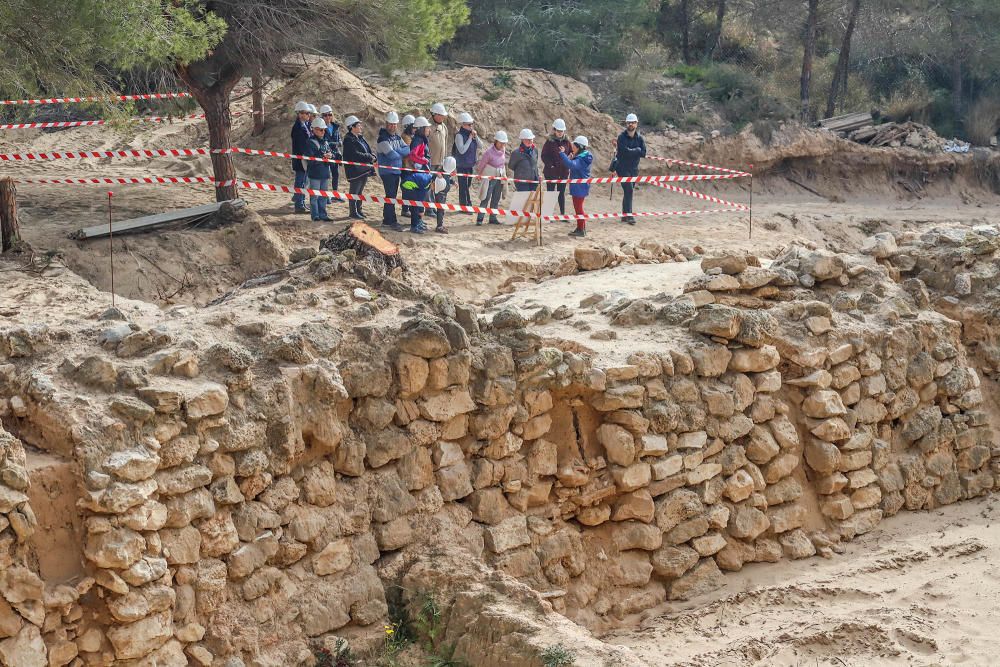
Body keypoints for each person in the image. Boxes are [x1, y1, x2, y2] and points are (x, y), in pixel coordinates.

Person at [377, 111, 410, 231]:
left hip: (396, 171)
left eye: (395, 124)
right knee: (390, 196)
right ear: (386, 124)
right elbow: (392, 155)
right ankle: (392, 221)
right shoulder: (382, 139)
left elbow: (407, 149)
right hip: (387, 172)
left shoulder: (396, 137)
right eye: (391, 124)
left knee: (391, 196)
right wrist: (399, 152)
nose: (393, 126)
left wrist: (398, 152)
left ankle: (387, 220)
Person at [611, 112, 646, 225]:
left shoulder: (640, 138)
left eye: (633, 122)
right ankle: (629, 215)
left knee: (628, 191)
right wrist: (637, 150)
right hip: (622, 168)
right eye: (629, 122)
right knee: (629, 190)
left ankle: (624, 215)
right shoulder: (621, 137)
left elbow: (644, 153)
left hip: (633, 169)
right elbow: (624, 152)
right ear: (626, 124)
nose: (631, 124)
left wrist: (634, 151)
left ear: (636, 124)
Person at [559, 135, 593, 238]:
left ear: (579, 147)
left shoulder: (582, 158)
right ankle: (581, 228)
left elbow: (572, 165)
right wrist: (570, 158)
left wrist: (562, 154)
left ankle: (581, 229)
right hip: (579, 186)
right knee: (578, 208)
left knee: (579, 208)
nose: (572, 147)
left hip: (579, 187)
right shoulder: (582, 157)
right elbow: (572, 164)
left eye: (574, 145)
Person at [342, 115, 375, 220]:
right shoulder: (348, 140)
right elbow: (355, 154)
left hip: (363, 169)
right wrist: (369, 157)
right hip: (355, 170)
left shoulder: (359, 137)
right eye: (358, 125)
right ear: (352, 127)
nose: (360, 127)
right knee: (354, 191)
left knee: (359, 191)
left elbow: (366, 150)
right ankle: (353, 212)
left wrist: (371, 156)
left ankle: (359, 210)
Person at [475, 131, 509, 225]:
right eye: (501, 142)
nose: (502, 144)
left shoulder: (503, 150)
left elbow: (502, 163)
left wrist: (504, 175)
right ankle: (480, 219)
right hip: (490, 178)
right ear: (496, 141)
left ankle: (493, 218)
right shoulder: (489, 152)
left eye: (504, 143)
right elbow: (482, 164)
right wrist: (480, 174)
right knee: (485, 197)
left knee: (496, 198)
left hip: (499, 177)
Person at [541, 118, 571, 215]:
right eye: (558, 131)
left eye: (561, 131)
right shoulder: (549, 142)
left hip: (563, 172)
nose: (560, 133)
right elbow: (544, 156)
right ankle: (548, 214)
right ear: (554, 130)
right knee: (550, 193)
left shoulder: (567, 142)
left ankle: (562, 214)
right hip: (551, 173)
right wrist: (551, 166)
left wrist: (570, 157)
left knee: (561, 193)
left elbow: (571, 152)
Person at [306, 118, 333, 221]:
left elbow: (330, 153)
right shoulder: (310, 142)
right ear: (314, 130)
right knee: (315, 196)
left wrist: (331, 155)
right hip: (315, 173)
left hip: (324, 172)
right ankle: (315, 216)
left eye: (324, 130)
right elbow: (311, 159)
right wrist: (323, 156)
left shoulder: (325, 142)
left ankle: (323, 215)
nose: (323, 132)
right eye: (321, 130)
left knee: (323, 196)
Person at [452, 112, 480, 211]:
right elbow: (462, 150)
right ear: (463, 125)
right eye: (469, 124)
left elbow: (480, 146)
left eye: (472, 124)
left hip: (470, 165)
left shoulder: (472, 134)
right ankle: (465, 206)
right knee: (463, 187)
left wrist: (475, 137)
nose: (471, 126)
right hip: (461, 165)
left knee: (467, 186)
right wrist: (469, 139)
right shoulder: (459, 136)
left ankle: (465, 205)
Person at [290, 100, 312, 213]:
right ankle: (299, 205)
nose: (309, 115)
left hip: (304, 159)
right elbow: (303, 145)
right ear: (299, 114)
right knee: (300, 182)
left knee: (303, 182)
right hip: (301, 160)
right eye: (306, 113)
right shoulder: (298, 127)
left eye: (308, 113)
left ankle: (301, 202)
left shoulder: (304, 125)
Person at [318, 105, 343, 202]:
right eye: (325, 115)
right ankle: (326, 196)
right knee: (327, 175)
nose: (328, 117)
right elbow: (325, 141)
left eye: (330, 114)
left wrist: (339, 142)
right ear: (322, 116)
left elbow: (339, 138)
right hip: (326, 154)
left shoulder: (335, 126)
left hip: (335, 154)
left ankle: (335, 194)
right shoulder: (321, 128)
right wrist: (337, 143)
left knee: (335, 174)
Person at [401, 164, 434, 234]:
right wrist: (421, 211)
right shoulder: (425, 181)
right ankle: (414, 226)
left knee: (417, 206)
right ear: (433, 183)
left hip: (413, 186)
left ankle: (418, 222)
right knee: (415, 206)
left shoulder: (429, 180)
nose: (434, 190)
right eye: (435, 188)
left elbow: (422, 196)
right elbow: (420, 200)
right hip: (407, 186)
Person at [432, 156, 457, 234]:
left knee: (441, 210)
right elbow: (433, 179)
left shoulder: (446, 172)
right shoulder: (439, 172)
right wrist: (438, 177)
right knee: (440, 210)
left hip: (443, 194)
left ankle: (440, 225)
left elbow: (448, 179)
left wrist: (453, 182)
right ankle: (439, 226)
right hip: (440, 194)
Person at [400, 114, 416, 215]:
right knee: (407, 189)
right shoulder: (405, 137)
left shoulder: (409, 136)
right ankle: (405, 209)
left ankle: (407, 208)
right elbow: (411, 151)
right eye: (413, 127)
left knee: (410, 189)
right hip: (407, 167)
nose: (415, 129)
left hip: (410, 166)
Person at [428, 102, 449, 172]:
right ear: (435, 115)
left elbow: (445, 145)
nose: (443, 117)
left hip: (441, 163)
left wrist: (445, 160)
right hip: (430, 163)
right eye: (441, 115)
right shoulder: (427, 127)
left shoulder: (444, 127)